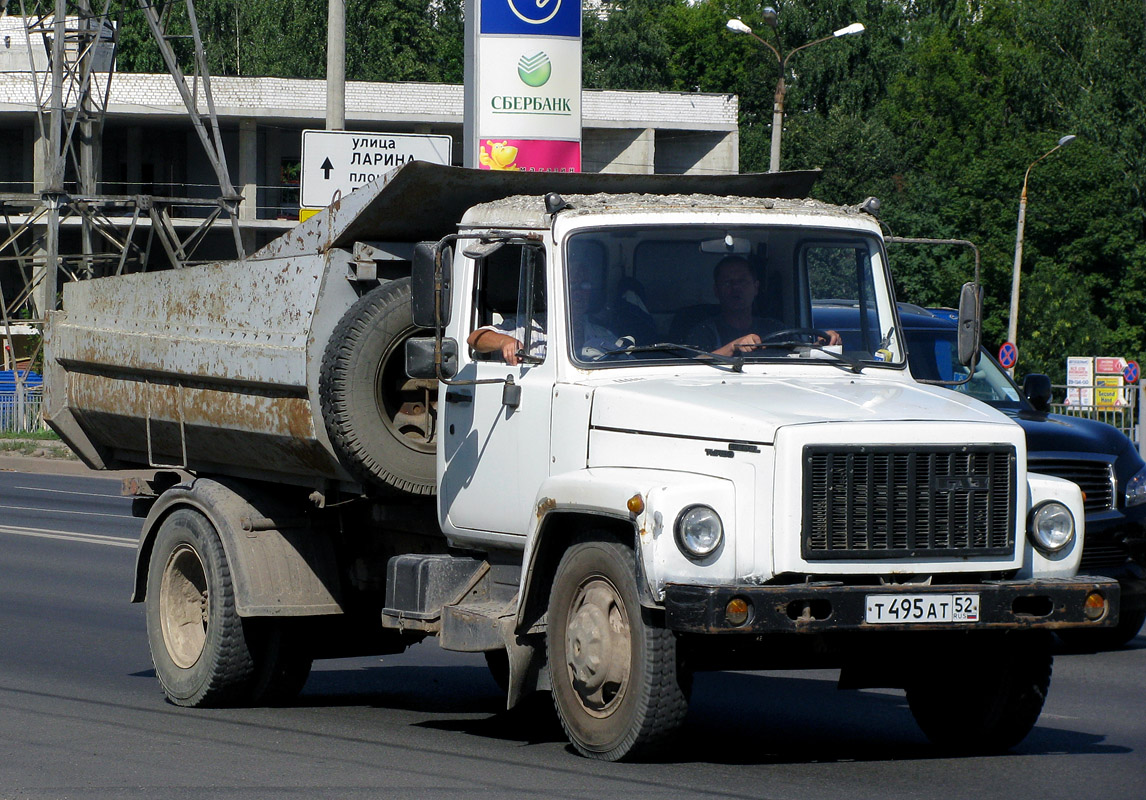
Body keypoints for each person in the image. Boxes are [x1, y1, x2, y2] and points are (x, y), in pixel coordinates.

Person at [688, 255, 841, 357]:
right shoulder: (704, 331)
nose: (735, 288)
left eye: (742, 281)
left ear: (756, 288)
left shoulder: (775, 328)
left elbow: (801, 353)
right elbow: (690, 367)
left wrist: (823, 343)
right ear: (716, 290)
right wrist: (733, 346)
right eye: (728, 282)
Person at [467, 266, 617, 365]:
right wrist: (504, 342)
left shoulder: (600, 333)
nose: (579, 293)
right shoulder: (530, 326)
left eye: (584, 286)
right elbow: (475, 338)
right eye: (572, 286)